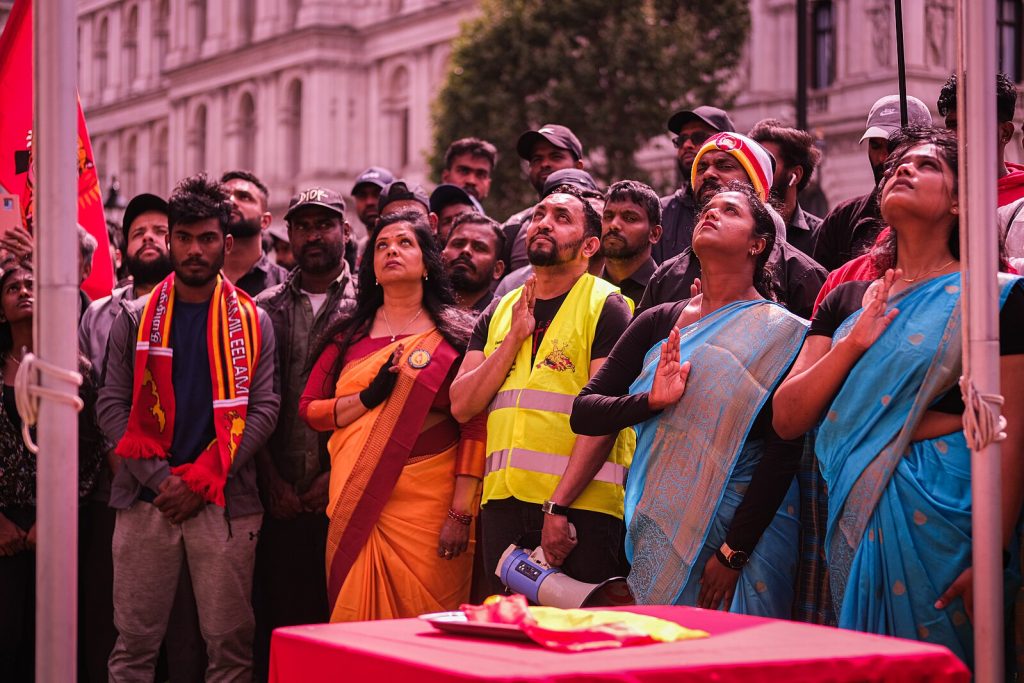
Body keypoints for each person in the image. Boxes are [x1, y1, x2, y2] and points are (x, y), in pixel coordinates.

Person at [772, 127, 1024, 666]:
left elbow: (1013, 430)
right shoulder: (845, 300)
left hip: (951, 523)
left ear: (961, 200)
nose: (901, 170)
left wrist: (993, 554)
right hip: (854, 508)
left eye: (926, 165)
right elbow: (788, 417)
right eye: (895, 167)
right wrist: (854, 344)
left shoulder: (996, 298)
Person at [571, 182, 805, 616]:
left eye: (730, 211)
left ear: (758, 244)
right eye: (707, 209)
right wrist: (649, 403)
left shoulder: (784, 334)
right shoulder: (660, 321)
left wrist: (733, 551)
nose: (710, 214)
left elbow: (783, 452)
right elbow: (584, 412)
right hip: (658, 524)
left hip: (748, 540)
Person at [97, 174, 279, 681]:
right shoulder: (133, 318)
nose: (194, 250)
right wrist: (162, 481)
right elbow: (111, 407)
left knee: (229, 649)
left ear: (226, 241)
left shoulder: (254, 320)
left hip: (224, 500)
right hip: (145, 499)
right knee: (133, 647)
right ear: (170, 239)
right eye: (183, 237)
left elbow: (265, 408)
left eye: (206, 239)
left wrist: (201, 480)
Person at [298, 210, 484, 622]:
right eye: (381, 245)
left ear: (427, 263)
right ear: (373, 269)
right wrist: (365, 399)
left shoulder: (456, 335)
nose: (391, 251)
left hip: (433, 514)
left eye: (404, 243)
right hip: (356, 503)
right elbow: (310, 411)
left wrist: (460, 512)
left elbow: (474, 424)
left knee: (429, 638)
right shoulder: (348, 335)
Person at [450, 184, 634, 592]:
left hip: (579, 509)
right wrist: (514, 338)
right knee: (507, 637)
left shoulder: (608, 306)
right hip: (503, 505)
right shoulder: (501, 310)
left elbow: (605, 420)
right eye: (539, 215)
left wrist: (558, 505)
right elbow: (462, 404)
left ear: (589, 245)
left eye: (561, 218)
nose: (544, 223)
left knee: (577, 641)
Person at [78, 192, 205, 683]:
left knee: (188, 630)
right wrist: (136, 473)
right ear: (122, 247)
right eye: (138, 233)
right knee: (125, 627)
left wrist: (181, 481)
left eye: (159, 231)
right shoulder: (99, 315)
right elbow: (99, 404)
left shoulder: (211, 310)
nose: (149, 239)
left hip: (193, 487)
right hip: (124, 490)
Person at [252, 188, 356, 678]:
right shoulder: (261, 308)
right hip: (273, 498)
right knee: (278, 625)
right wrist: (270, 480)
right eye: (303, 226)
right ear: (289, 234)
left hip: (343, 498)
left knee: (339, 630)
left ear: (346, 232)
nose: (314, 235)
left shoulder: (369, 306)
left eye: (324, 224)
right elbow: (249, 403)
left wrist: (333, 478)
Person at [0, 257, 105, 682]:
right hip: (2, 526)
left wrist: (54, 517)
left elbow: (92, 452)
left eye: (33, 284)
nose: (25, 291)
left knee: (56, 635)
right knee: (6, 639)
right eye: (12, 287)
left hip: (60, 525)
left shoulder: (72, 370)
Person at [638, 132, 826, 321]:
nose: (708, 174)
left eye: (724, 166)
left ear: (755, 186)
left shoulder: (803, 276)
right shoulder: (666, 276)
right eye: (702, 167)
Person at [811, 96, 932, 273]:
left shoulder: (941, 217)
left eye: (894, 145)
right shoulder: (841, 219)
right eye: (875, 145)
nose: (883, 157)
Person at [657, 105, 736, 264]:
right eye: (681, 140)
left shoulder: (754, 215)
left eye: (698, 137)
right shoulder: (660, 213)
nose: (687, 145)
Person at [503, 124, 586, 272]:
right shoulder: (514, 227)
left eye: (556, 156)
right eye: (537, 159)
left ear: (578, 166)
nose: (545, 164)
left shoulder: (605, 218)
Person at [748, 119, 823, 258]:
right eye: (752, 163)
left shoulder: (822, 236)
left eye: (767, 163)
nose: (755, 172)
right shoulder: (736, 230)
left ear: (796, 174)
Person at [220, 170, 288, 296]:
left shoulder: (285, 286)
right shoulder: (194, 279)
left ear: (265, 221)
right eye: (223, 197)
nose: (230, 201)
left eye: (244, 197)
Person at [600, 180, 662, 306]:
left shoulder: (667, 292)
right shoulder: (584, 288)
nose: (614, 225)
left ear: (654, 234)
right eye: (608, 216)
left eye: (630, 218)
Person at [441, 213, 506, 314]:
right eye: (458, 244)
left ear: (497, 269)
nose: (466, 250)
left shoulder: (506, 317)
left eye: (479, 248)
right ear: (441, 256)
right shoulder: (418, 307)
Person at [350, 166, 395, 269]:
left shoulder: (409, 249)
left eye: (377, 194)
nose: (369, 202)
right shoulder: (352, 255)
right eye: (362, 195)